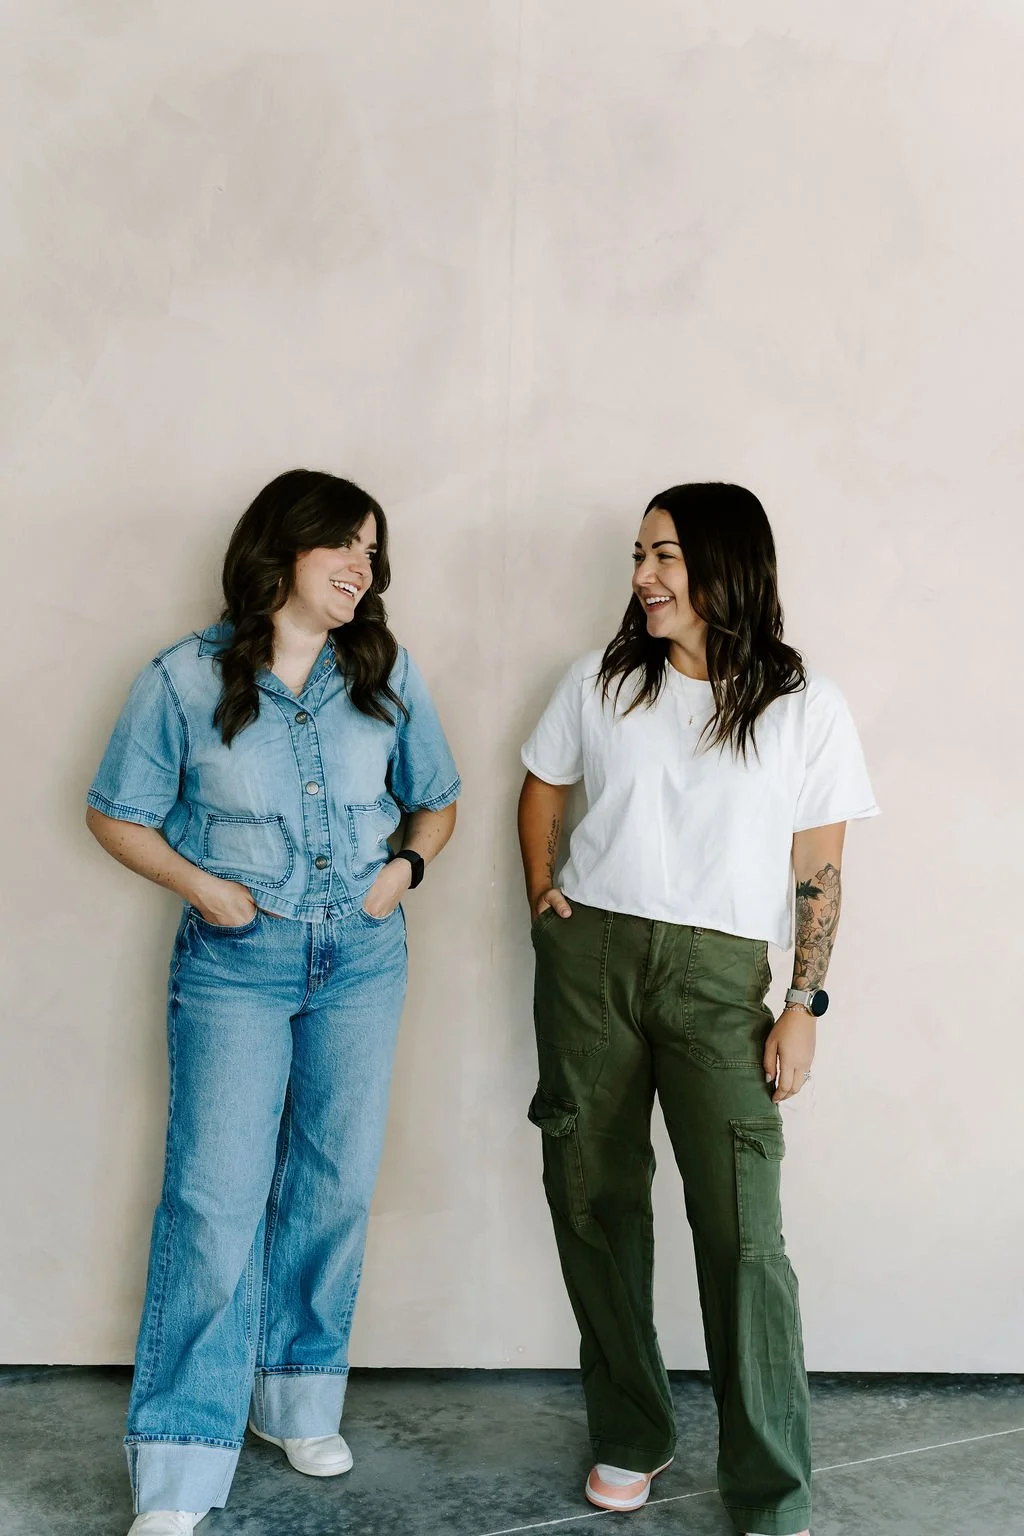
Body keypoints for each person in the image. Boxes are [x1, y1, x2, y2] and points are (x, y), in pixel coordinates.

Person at [86, 470, 460, 1536]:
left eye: (374, 552)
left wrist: (405, 874)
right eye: (345, 543)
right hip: (235, 968)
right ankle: (181, 1463)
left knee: (333, 1183)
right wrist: (205, 889)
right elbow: (116, 812)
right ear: (282, 550)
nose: (363, 567)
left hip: (363, 960)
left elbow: (435, 799)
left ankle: (294, 1401)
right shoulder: (179, 679)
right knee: (213, 1201)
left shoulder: (384, 672)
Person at [517, 482, 878, 1536]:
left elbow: (820, 862)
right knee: (591, 1198)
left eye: (664, 556)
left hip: (722, 981)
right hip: (590, 965)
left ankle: (768, 1481)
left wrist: (803, 1000)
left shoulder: (806, 704)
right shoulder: (598, 680)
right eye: (639, 555)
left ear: (727, 565)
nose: (641, 578)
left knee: (742, 1234)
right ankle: (632, 1429)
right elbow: (542, 785)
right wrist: (543, 899)